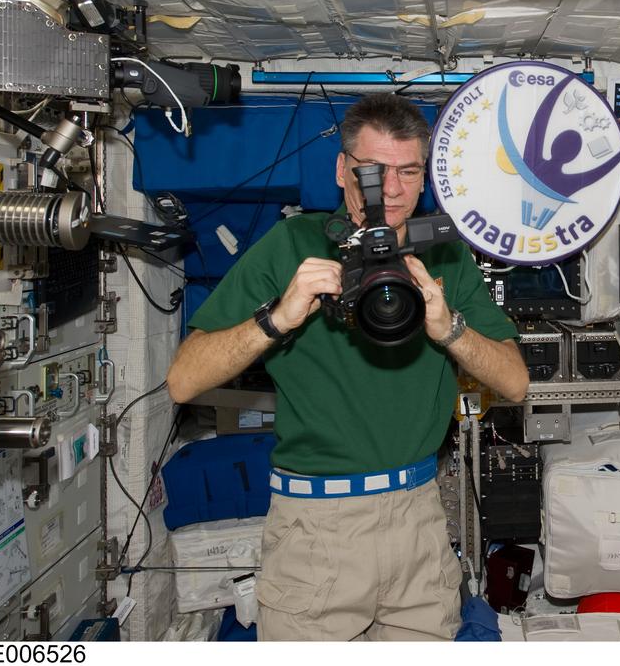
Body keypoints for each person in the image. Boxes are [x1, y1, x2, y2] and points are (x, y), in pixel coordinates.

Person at [166, 93, 528, 641]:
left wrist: (448, 326)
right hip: (316, 527)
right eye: (375, 173)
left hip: (417, 520)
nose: (395, 191)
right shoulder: (293, 245)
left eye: (409, 172)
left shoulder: (446, 259)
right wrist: (278, 318)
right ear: (342, 169)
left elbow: (516, 382)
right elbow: (183, 379)